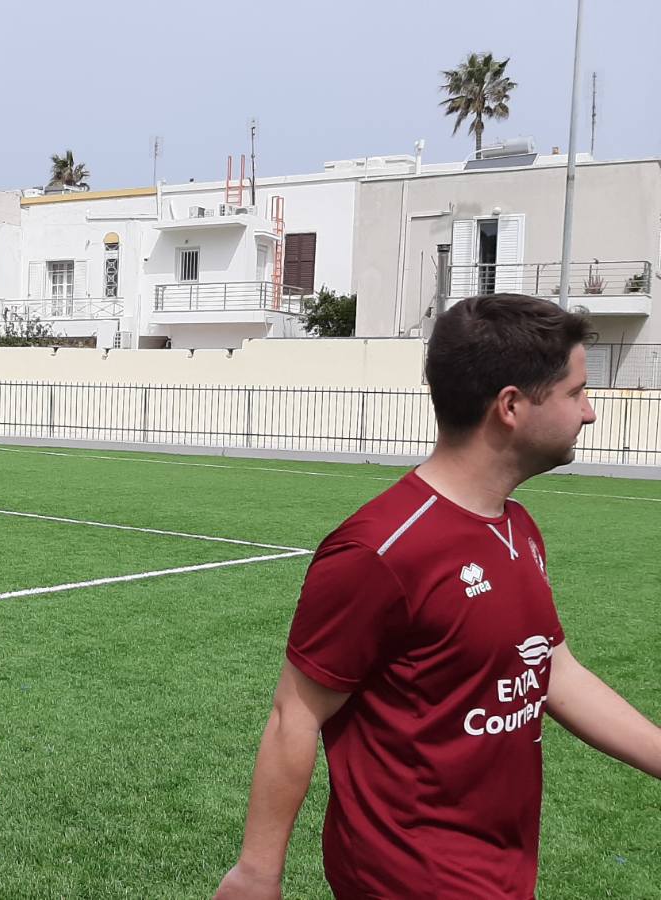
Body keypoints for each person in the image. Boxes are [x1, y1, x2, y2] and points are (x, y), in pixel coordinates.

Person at [215, 294, 661, 900]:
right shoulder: (380, 550)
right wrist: (256, 874)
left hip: (501, 868)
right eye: (576, 392)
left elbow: (552, 669)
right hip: (409, 877)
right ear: (510, 406)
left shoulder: (518, 527)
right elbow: (295, 713)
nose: (589, 412)